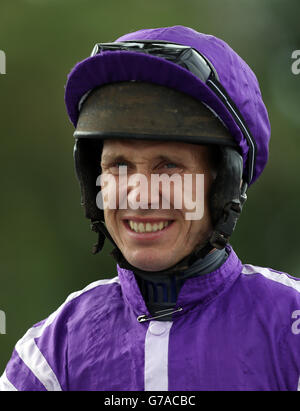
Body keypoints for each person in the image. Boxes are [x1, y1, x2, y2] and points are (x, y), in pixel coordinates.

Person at [1, 25, 300, 391]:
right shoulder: (48, 355)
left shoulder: (292, 331)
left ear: (225, 185)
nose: (139, 195)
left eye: (169, 166)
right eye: (119, 165)